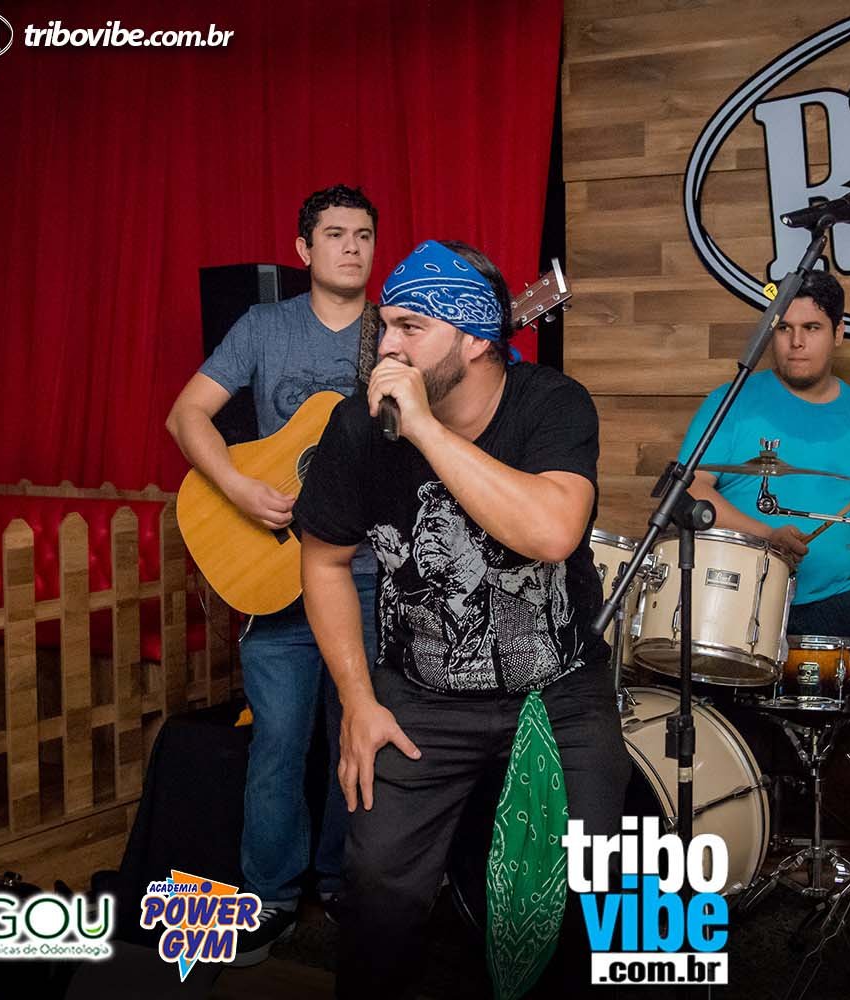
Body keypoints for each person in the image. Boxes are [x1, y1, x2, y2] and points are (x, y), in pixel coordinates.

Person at [292, 239, 629, 999]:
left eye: (411, 327)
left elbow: (551, 532)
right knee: (378, 887)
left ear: (476, 339)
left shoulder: (552, 405)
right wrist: (358, 701)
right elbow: (323, 561)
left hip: (557, 691)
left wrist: (425, 429)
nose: (387, 346)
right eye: (385, 326)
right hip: (421, 696)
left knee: (589, 881)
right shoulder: (356, 428)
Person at [677, 268, 850, 899]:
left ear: (838, 333)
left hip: (841, 601)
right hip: (741, 599)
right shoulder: (732, 401)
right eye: (784, 328)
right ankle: (728, 848)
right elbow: (689, 493)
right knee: (712, 706)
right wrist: (766, 534)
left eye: (812, 328)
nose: (795, 341)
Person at [165, 184, 382, 963]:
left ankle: (345, 886)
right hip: (276, 569)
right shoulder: (264, 327)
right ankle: (270, 898)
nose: (351, 246)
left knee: (357, 738)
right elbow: (186, 414)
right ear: (303, 249)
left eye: (364, 234)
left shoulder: (394, 335)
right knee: (278, 744)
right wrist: (235, 485)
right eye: (335, 234)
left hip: (366, 574)